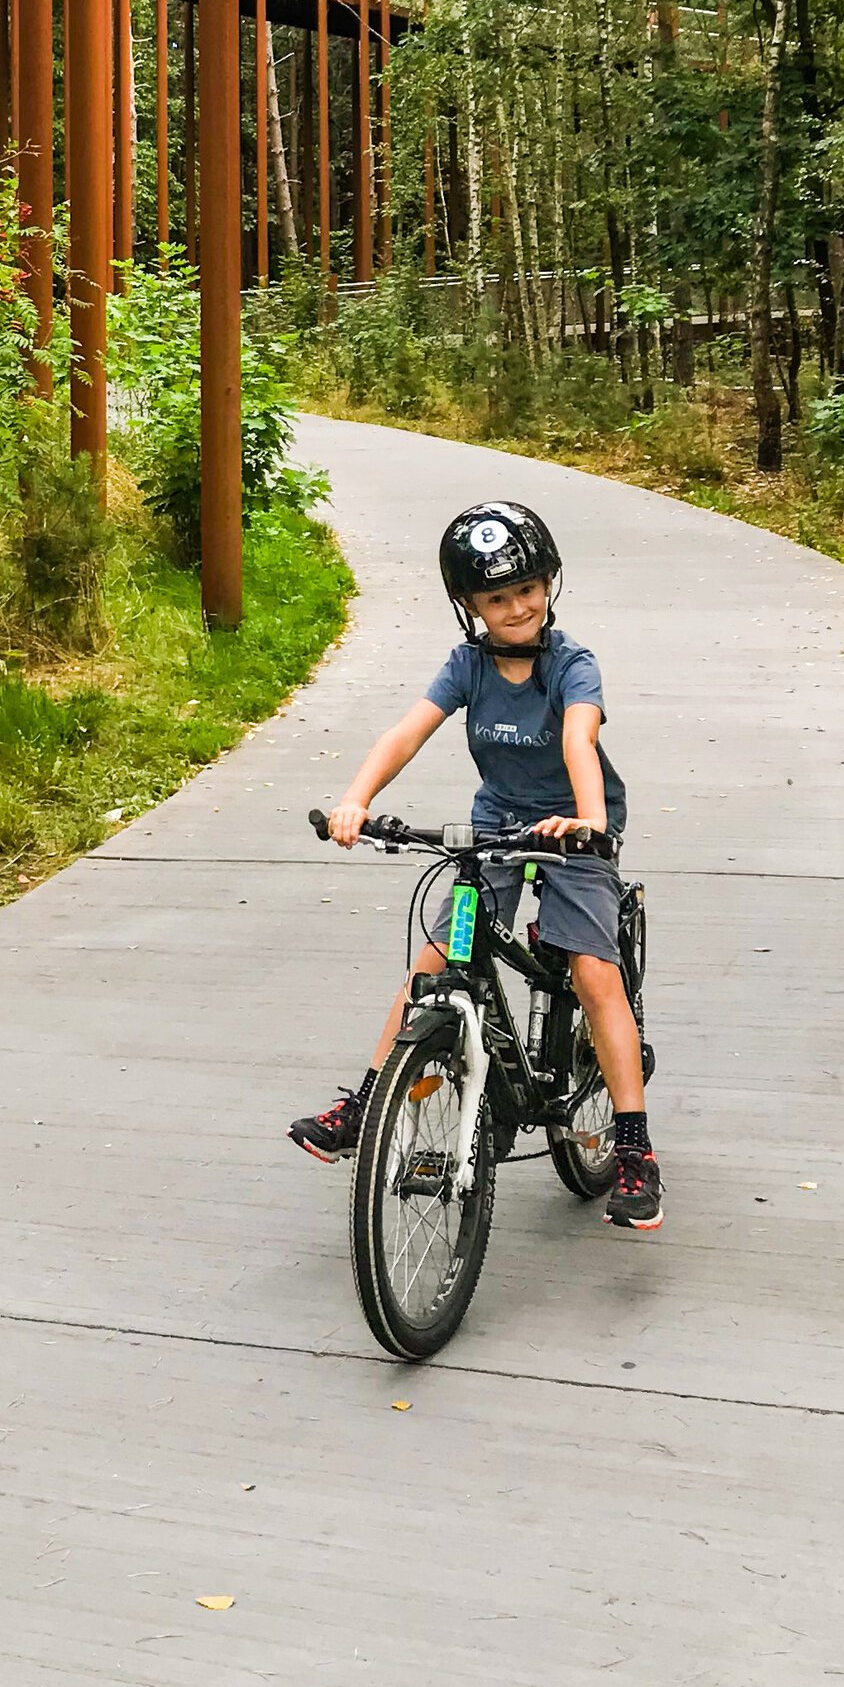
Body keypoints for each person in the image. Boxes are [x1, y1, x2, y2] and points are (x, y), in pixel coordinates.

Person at [289, 498, 661, 1231]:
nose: (519, 607)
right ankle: (367, 1102)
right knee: (435, 960)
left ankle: (633, 1148)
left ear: (549, 583)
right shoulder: (467, 663)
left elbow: (579, 742)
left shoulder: (571, 665)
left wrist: (586, 821)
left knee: (591, 971)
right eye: (498, 597)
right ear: (470, 605)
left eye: (529, 588)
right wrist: (355, 799)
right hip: (496, 823)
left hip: (572, 830)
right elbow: (408, 730)